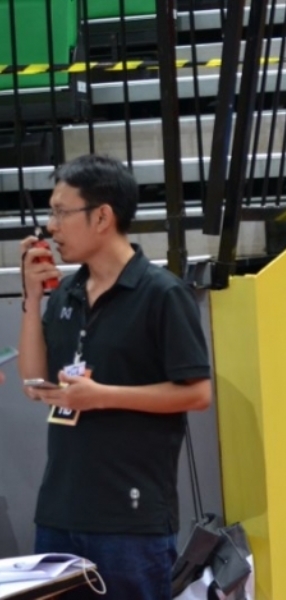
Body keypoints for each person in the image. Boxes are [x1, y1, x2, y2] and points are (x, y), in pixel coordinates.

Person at [17, 154, 212, 600]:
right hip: (59, 511)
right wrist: (32, 298)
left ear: (102, 216)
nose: (51, 226)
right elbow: (33, 379)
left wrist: (102, 396)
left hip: (130, 519)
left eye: (61, 212)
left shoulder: (162, 293)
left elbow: (198, 394)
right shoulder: (66, 293)